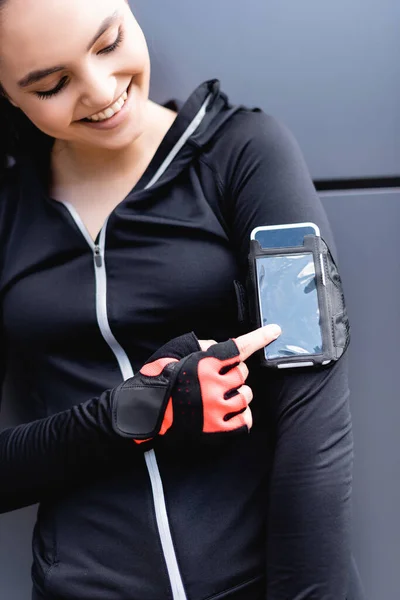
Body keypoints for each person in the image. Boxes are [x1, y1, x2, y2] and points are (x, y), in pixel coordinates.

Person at [0, 0, 365, 598]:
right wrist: (134, 414)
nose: (100, 90)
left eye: (108, 42)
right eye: (52, 84)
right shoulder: (10, 212)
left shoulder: (244, 155)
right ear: (9, 94)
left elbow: (315, 423)